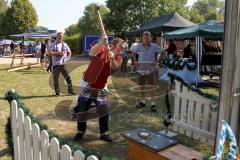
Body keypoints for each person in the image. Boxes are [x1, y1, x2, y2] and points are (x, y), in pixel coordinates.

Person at [72, 34, 124, 142]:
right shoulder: (102, 50)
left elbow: (114, 67)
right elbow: (91, 53)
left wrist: (112, 58)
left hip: (101, 86)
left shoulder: (119, 57)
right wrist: (101, 43)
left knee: (103, 111)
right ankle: (80, 132)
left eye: (123, 48)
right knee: (82, 109)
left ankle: (104, 133)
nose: (122, 49)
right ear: (114, 45)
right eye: (121, 46)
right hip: (88, 84)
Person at [133, 31, 166, 112]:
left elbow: (163, 52)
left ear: (150, 38)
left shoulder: (154, 46)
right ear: (142, 38)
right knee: (142, 86)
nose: (146, 39)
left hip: (151, 70)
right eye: (144, 38)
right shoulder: (139, 46)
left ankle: (153, 104)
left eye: (148, 38)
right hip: (141, 70)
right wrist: (135, 61)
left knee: (152, 87)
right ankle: (142, 102)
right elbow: (133, 53)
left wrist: (156, 61)